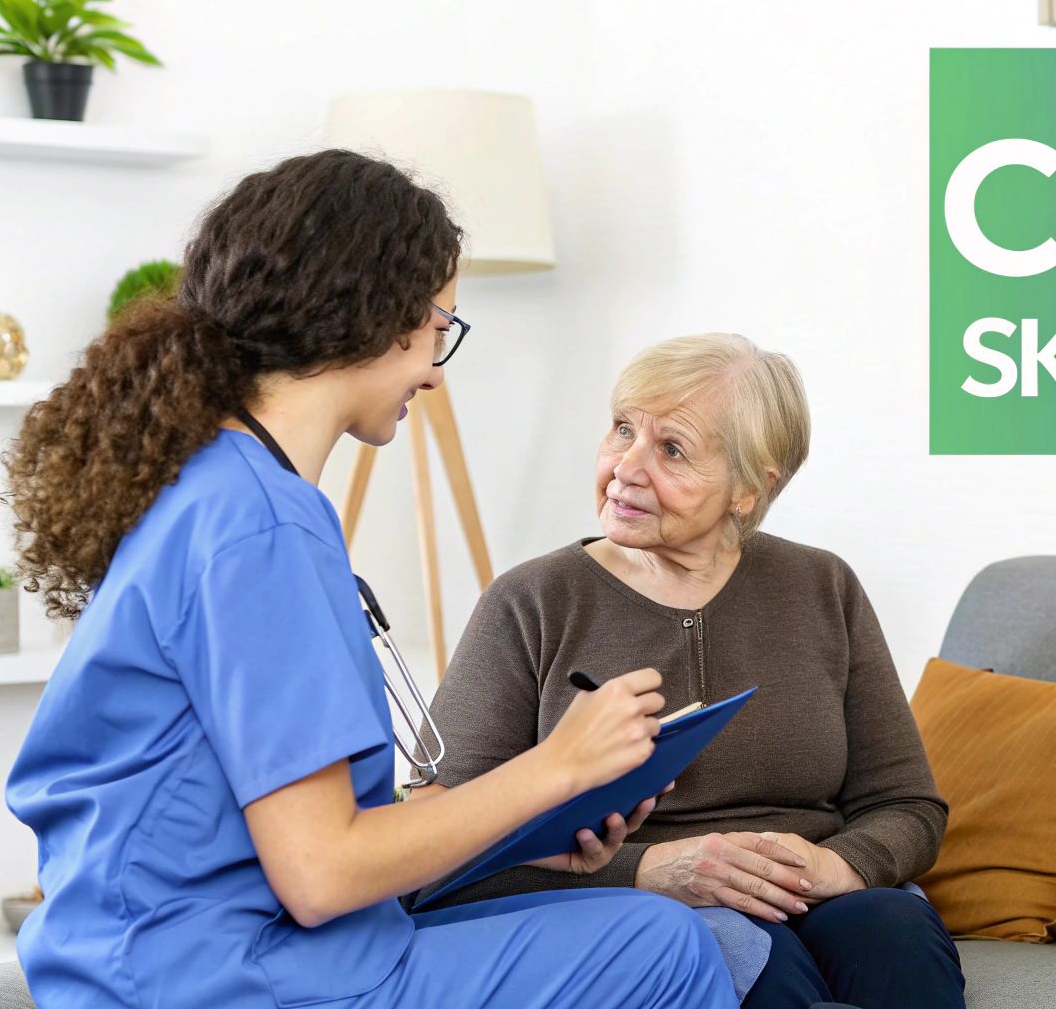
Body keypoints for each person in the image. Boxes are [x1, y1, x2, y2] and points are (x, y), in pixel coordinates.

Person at [2, 150, 736, 1009]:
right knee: (666, 944)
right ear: (380, 316)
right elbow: (321, 870)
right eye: (440, 330)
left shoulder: (209, 488)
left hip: (154, 959)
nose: (433, 370)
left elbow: (275, 837)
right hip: (217, 980)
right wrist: (557, 768)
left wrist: (520, 832)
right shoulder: (263, 526)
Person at [414, 333, 966, 1009]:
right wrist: (647, 868)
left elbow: (907, 804)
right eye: (622, 430)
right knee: (751, 961)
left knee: (899, 932)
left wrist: (839, 865)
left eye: (671, 449)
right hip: (645, 905)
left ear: (749, 488)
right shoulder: (531, 601)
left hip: (805, 885)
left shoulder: (822, 586)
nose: (626, 468)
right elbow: (438, 851)